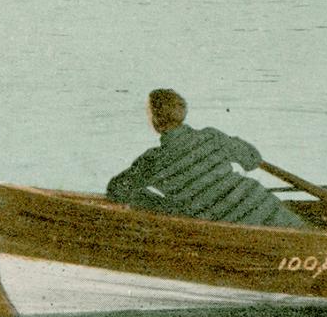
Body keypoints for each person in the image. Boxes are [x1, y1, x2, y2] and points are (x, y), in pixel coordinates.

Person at [107, 89, 306, 228]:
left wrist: (166, 208)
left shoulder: (152, 160)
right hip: (264, 204)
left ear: (154, 121)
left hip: (228, 223)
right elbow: (252, 159)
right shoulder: (211, 136)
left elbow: (116, 189)